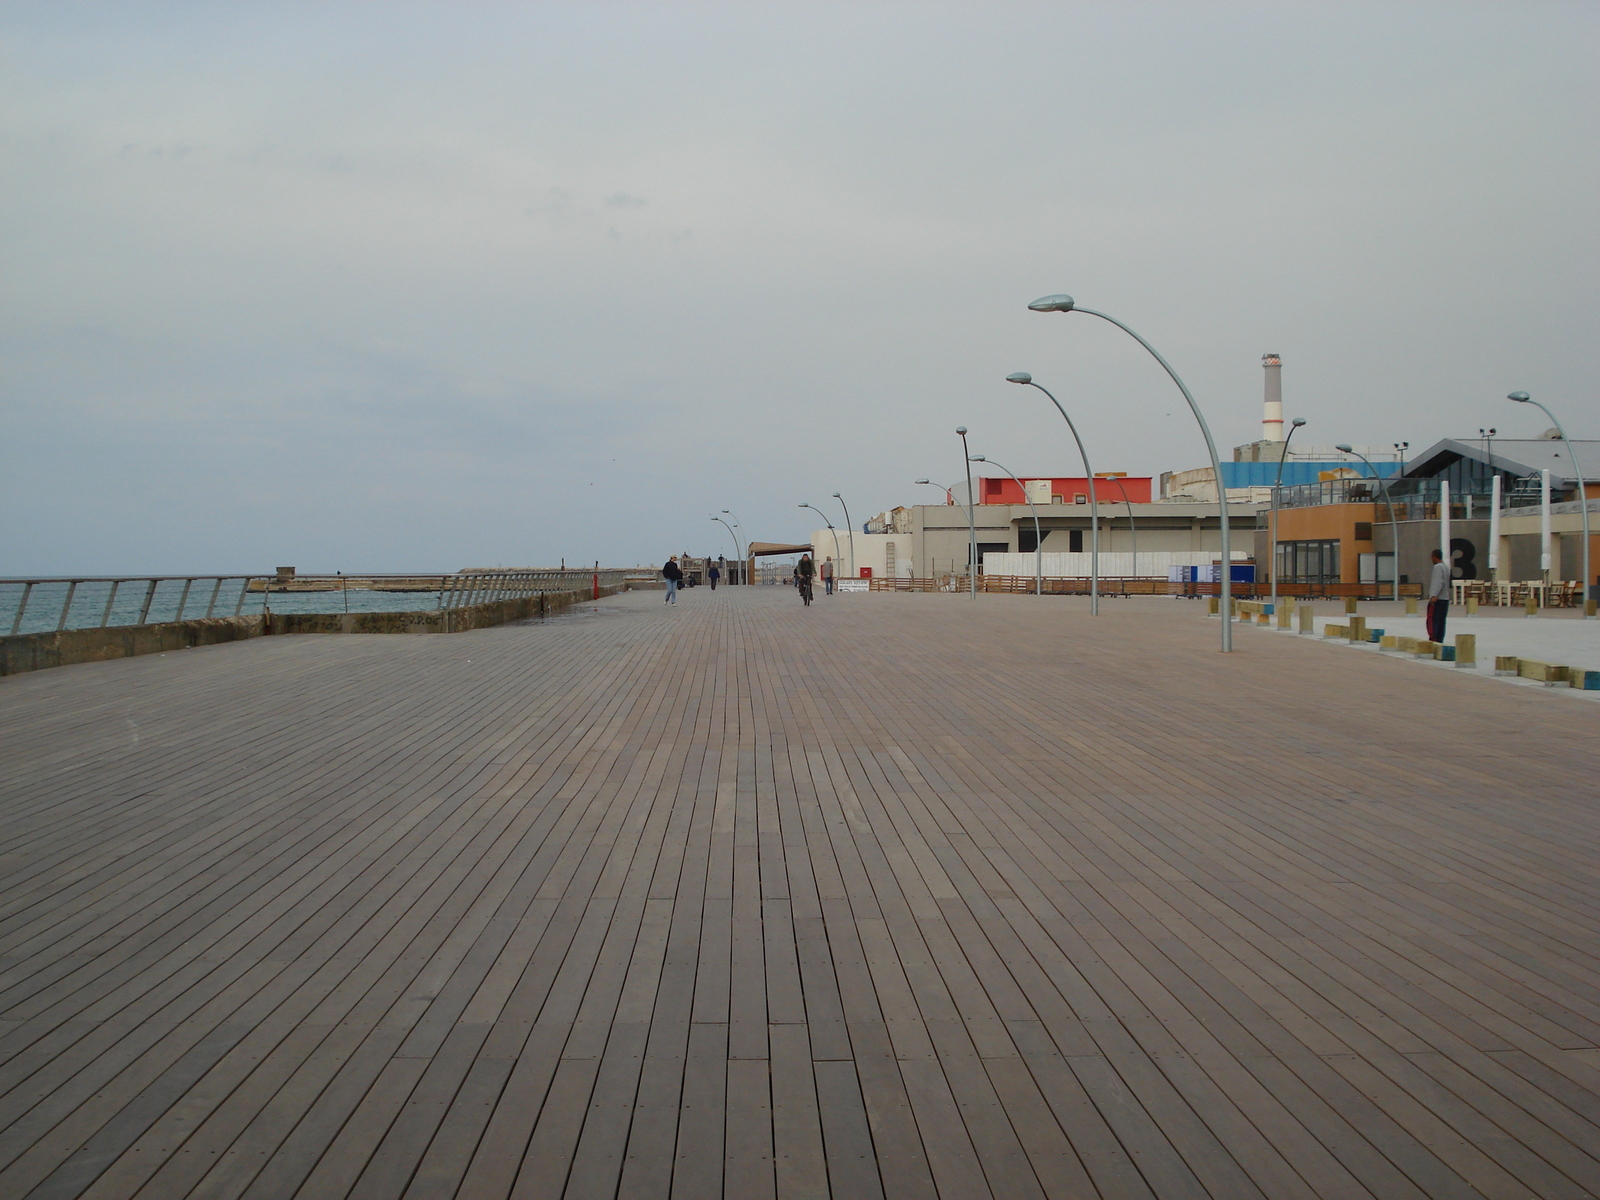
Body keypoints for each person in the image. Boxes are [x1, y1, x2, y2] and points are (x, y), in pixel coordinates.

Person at [1426, 548, 1450, 642]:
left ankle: (1433, 639)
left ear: (1434, 557)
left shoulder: (1437, 567)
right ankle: (1440, 640)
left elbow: (1438, 582)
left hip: (1438, 599)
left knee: (1433, 620)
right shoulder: (1446, 567)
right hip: (1445, 599)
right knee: (1441, 622)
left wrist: (1434, 595)